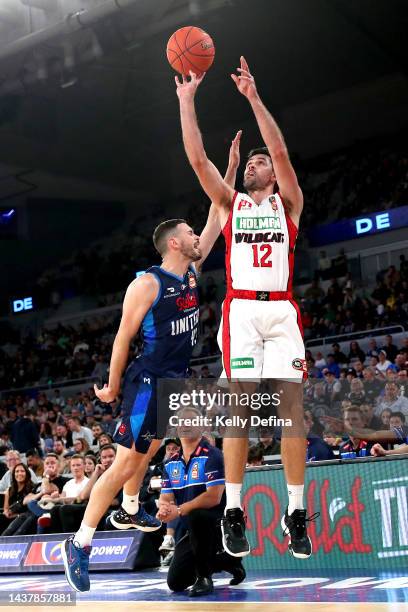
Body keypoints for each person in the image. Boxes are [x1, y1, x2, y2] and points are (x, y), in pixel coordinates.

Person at [62, 137, 240, 592]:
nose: (200, 237)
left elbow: (220, 211)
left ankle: (129, 505)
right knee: (124, 464)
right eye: (192, 234)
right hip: (148, 382)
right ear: (176, 242)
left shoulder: (193, 271)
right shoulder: (147, 283)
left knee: (152, 451)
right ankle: (79, 544)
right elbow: (123, 337)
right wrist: (112, 384)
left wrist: (232, 168)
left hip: (173, 382)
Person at [175, 57, 316, 559]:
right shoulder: (232, 206)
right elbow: (198, 162)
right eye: (250, 163)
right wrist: (187, 102)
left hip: (282, 313)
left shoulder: (289, 204)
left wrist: (254, 98)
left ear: (274, 177)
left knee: (292, 415)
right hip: (241, 312)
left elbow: (277, 147)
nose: (255, 165)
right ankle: (234, 510)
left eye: (261, 164)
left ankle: (295, 511)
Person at [159, 407, 245, 596]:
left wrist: (179, 510)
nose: (186, 425)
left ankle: (204, 577)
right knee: (176, 583)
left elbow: (213, 497)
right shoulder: (169, 463)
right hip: (192, 527)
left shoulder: (213, 455)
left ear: (202, 426)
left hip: (218, 523)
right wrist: (164, 509)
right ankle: (228, 562)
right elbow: (165, 498)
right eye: (182, 421)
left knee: (198, 515)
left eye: (191, 421)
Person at [0, 463, 34, 535]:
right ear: (13, 474)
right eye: (17, 471)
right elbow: (6, 510)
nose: (19, 473)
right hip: (10, 517)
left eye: (22, 471)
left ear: (27, 473)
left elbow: (30, 510)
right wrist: (7, 513)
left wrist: (16, 515)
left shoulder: (32, 488)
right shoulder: (9, 490)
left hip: (25, 518)